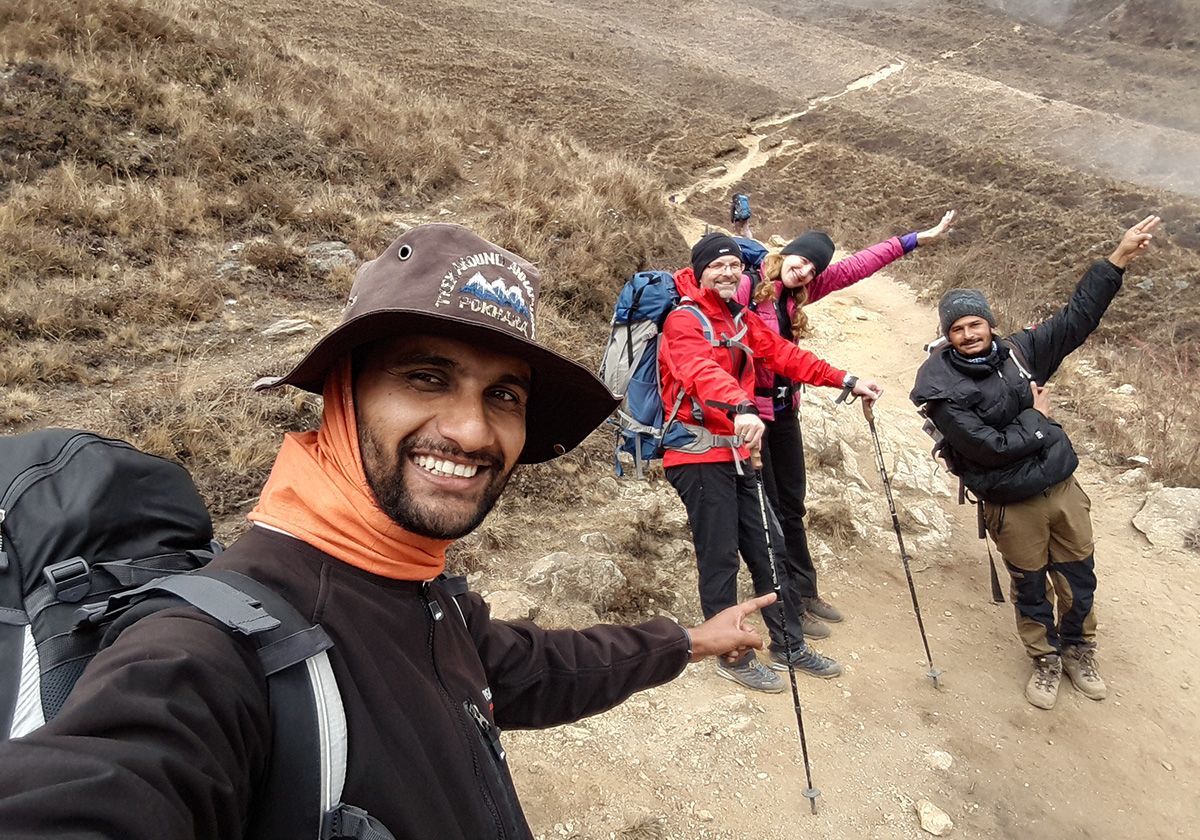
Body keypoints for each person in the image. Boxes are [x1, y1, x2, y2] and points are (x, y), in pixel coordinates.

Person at [0, 224, 779, 839]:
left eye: (504, 395)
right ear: (343, 394)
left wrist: (690, 641)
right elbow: (109, 783)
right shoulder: (207, 653)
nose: (472, 430)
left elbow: (535, 667)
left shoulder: (422, 597)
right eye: (426, 377)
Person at [909, 215, 1159, 710]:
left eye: (975, 324)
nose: (968, 334)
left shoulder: (1019, 354)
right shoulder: (939, 387)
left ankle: (1079, 648)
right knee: (1030, 585)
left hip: (1061, 487)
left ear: (990, 324)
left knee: (1078, 576)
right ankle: (1044, 657)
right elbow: (988, 448)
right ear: (946, 336)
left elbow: (1076, 318)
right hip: (1010, 501)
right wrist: (1039, 421)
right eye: (957, 329)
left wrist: (1117, 260)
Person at [659, 231, 883, 692]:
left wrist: (845, 379)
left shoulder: (740, 319)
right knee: (720, 556)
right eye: (717, 266)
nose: (727, 273)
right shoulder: (683, 320)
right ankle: (732, 654)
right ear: (700, 272)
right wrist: (741, 405)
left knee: (769, 545)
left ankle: (788, 644)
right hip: (697, 454)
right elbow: (699, 372)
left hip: (738, 450)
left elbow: (784, 355)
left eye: (733, 266)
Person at [734, 211, 956, 638]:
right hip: (752, 415)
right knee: (770, 512)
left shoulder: (798, 292)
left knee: (793, 504)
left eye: (813, 269)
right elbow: (773, 353)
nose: (805, 271)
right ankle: (784, 602)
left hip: (784, 410)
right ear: (788, 253)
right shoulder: (749, 288)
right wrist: (845, 379)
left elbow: (857, 266)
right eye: (802, 261)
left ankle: (805, 590)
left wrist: (914, 240)